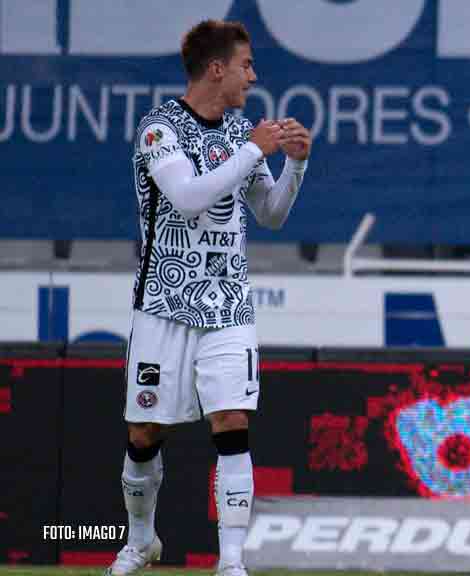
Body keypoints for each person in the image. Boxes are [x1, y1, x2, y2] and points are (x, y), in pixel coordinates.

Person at [107, 19, 311, 576]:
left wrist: (294, 162)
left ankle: (231, 562)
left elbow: (268, 214)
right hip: (163, 307)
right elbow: (187, 196)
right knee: (145, 434)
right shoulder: (160, 129)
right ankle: (140, 542)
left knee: (232, 422)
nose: (253, 76)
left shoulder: (242, 132)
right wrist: (251, 151)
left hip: (227, 308)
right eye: (246, 65)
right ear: (216, 69)